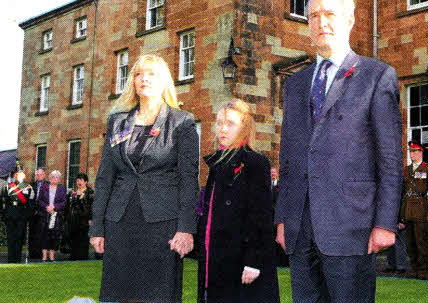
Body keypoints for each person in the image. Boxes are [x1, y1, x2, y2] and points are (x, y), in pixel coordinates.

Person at [274, 0, 403, 302]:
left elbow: (390, 159)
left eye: (330, 14)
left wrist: (385, 223)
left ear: (350, 20)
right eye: (314, 16)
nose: (321, 22)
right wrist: (282, 217)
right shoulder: (296, 84)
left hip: (351, 226)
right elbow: (288, 157)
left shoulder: (377, 76)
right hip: (300, 228)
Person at [89, 54, 199, 303]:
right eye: (138, 74)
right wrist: (97, 227)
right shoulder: (117, 122)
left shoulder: (182, 122)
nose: (143, 79)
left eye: (151, 74)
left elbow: (188, 178)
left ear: (164, 81)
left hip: (162, 224)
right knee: (120, 295)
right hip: (119, 222)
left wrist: (185, 228)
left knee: (157, 295)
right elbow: (105, 177)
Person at [197, 99, 280, 303]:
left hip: (240, 258)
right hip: (215, 256)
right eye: (219, 123)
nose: (222, 129)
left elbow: (260, 215)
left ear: (244, 127)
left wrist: (254, 260)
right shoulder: (217, 163)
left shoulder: (255, 162)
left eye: (230, 123)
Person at [398, 141, 428, 279]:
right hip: (408, 208)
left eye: (415, 151)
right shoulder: (406, 169)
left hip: (421, 208)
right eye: (410, 151)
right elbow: (402, 192)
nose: (412, 154)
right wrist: (401, 214)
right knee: (410, 243)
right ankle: (414, 268)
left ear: (421, 152)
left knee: (421, 242)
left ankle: (423, 270)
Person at [0, 169, 35, 263]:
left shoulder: (28, 187)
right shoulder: (8, 186)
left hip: (22, 215)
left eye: (20, 175)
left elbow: (31, 203)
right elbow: (4, 201)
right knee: (11, 237)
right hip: (11, 214)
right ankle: (11, 259)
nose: (18, 176)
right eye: (17, 175)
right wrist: (5, 214)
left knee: (20, 237)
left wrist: (27, 216)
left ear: (24, 176)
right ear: (15, 176)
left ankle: (17, 259)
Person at [38, 170, 67, 262]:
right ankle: (44, 256)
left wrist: (54, 207)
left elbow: (64, 202)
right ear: (50, 178)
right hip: (45, 214)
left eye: (56, 177)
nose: (54, 179)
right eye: (53, 177)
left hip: (56, 214)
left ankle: (51, 256)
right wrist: (46, 207)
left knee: (54, 235)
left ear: (59, 179)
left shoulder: (62, 188)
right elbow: (39, 200)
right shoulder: (44, 187)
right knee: (44, 234)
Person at [67, 173, 94, 260]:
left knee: (83, 238)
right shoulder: (72, 192)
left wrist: (91, 218)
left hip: (85, 220)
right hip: (73, 219)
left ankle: (82, 256)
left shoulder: (90, 192)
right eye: (78, 180)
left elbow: (92, 206)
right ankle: (73, 256)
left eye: (81, 180)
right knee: (73, 237)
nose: (79, 182)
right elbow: (68, 205)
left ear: (85, 182)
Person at [28, 168, 48, 259]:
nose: (39, 176)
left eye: (40, 174)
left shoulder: (47, 185)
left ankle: (39, 253)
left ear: (44, 175)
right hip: (32, 212)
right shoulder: (31, 185)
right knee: (32, 233)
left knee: (41, 233)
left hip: (42, 212)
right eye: (37, 175)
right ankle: (32, 253)